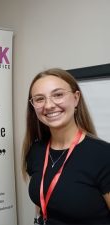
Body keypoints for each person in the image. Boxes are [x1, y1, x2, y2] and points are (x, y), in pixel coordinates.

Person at [22, 68, 110, 224]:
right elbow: (43, 199)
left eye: (58, 95)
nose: (48, 105)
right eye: (39, 99)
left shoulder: (103, 155)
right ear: (33, 105)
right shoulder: (36, 151)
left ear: (76, 98)